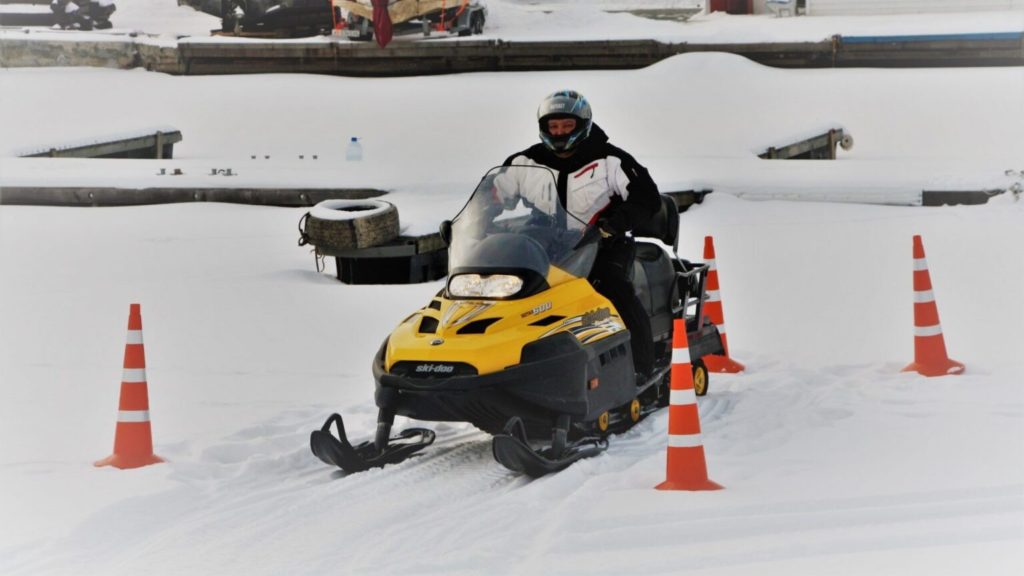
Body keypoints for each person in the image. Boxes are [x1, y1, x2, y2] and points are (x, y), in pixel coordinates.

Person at [501, 90, 662, 378]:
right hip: (545, 245)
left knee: (613, 289)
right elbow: (494, 193)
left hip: (602, 242)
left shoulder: (610, 160)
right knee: (509, 292)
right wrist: (479, 218)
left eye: (567, 125)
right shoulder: (526, 161)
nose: (560, 132)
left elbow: (646, 197)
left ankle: (641, 366)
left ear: (583, 124)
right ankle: (506, 360)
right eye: (553, 126)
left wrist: (615, 223)